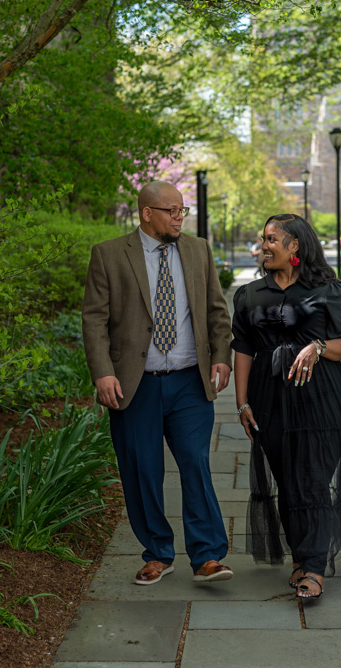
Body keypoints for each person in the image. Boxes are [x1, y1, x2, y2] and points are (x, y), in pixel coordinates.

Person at [82, 181, 234, 587]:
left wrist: (222, 356)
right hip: (136, 384)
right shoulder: (110, 255)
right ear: (147, 213)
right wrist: (102, 372)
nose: (179, 217)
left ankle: (207, 556)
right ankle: (157, 553)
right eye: (171, 210)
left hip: (188, 381)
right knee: (141, 470)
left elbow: (217, 311)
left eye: (182, 209)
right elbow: (94, 319)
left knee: (196, 464)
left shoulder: (198, 250)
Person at [231, 214, 341, 600]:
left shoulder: (332, 291)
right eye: (263, 238)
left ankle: (315, 567)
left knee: (314, 483)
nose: (263, 245)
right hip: (270, 400)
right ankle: (301, 558)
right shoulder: (250, 294)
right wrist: (241, 403)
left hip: (321, 399)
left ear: (295, 246)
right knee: (288, 483)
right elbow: (243, 348)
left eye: (271, 239)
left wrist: (318, 347)